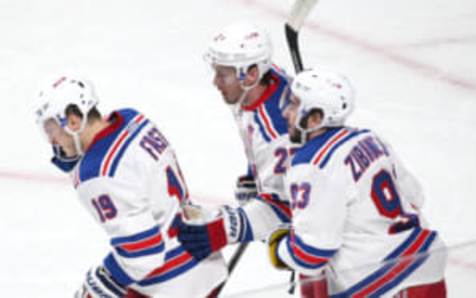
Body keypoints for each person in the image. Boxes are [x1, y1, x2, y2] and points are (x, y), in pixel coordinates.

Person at [34, 75, 227, 298]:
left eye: (51, 129)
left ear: (74, 121)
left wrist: (101, 281)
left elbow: (144, 255)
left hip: (172, 283)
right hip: (204, 256)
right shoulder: (131, 119)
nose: (51, 141)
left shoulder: (96, 174)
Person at [268, 68, 447, 297]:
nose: (285, 113)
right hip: (426, 258)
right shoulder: (368, 138)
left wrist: (280, 249)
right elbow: (416, 195)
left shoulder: (310, 164)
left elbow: (312, 253)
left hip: (385, 280)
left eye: (294, 105)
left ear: (315, 118)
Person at [178, 21, 324, 297]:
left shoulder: (276, 131)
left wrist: (226, 229)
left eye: (223, 74)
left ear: (251, 74)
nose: (215, 82)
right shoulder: (259, 86)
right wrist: (255, 175)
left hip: (328, 237)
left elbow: (286, 207)